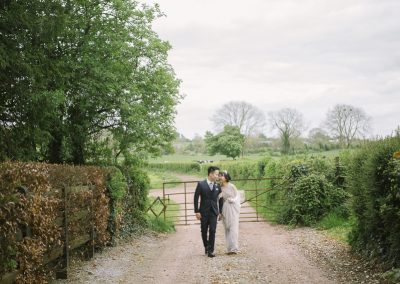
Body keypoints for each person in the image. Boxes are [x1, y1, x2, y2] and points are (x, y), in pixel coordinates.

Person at [194, 166, 223, 257]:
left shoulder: (218, 185)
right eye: (216, 174)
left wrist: (220, 211)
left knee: (213, 230)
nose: (217, 176)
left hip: (214, 212)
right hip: (203, 212)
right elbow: (196, 198)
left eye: (218, 174)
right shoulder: (201, 184)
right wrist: (197, 211)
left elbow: (220, 199)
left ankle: (211, 250)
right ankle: (206, 246)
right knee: (203, 230)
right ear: (210, 174)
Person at [219, 171, 240, 254]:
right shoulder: (219, 187)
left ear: (226, 177)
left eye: (222, 175)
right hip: (225, 209)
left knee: (233, 227)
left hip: (233, 208)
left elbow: (237, 197)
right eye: (219, 176)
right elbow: (219, 200)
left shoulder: (232, 186)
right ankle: (229, 248)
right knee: (227, 228)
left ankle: (234, 248)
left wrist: (232, 200)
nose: (220, 177)